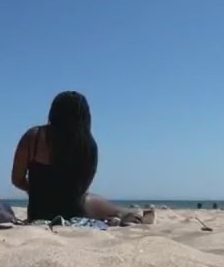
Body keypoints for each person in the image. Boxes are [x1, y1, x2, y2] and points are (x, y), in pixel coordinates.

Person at [10, 91, 153, 224]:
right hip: (75, 212)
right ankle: (126, 213)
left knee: (87, 198)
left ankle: (124, 214)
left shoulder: (34, 137)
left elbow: (17, 179)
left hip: (39, 213)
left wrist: (36, 190)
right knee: (88, 199)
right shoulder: (89, 145)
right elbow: (82, 188)